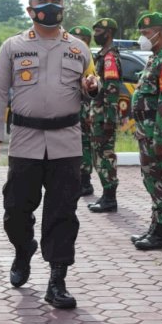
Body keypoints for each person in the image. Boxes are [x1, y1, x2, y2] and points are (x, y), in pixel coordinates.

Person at [0, 0, 98, 309]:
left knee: (63, 213)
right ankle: (23, 249)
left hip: (67, 142)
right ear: (31, 10)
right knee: (15, 210)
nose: (51, 9)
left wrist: (92, 86)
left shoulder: (79, 48)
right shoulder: (13, 47)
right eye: (44, 4)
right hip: (25, 140)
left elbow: (90, 83)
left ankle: (57, 281)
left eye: (56, 3)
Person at [129, 12, 162, 250]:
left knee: (161, 180)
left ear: (160, 34)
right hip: (145, 130)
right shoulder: (154, 59)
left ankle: (161, 231)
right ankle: (155, 225)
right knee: (151, 179)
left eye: (146, 33)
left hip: (156, 131)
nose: (143, 37)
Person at [87, 17, 122, 213]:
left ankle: (110, 197)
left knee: (105, 155)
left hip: (104, 116)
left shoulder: (110, 58)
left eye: (99, 31)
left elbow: (111, 90)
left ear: (108, 33)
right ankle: (106, 195)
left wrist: (109, 118)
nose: (96, 35)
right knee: (98, 154)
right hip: (98, 114)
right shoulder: (103, 55)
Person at [68, 25, 95, 197]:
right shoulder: (69, 57)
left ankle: (85, 181)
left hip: (86, 109)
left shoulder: (89, 59)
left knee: (84, 144)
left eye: (82, 40)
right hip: (71, 110)